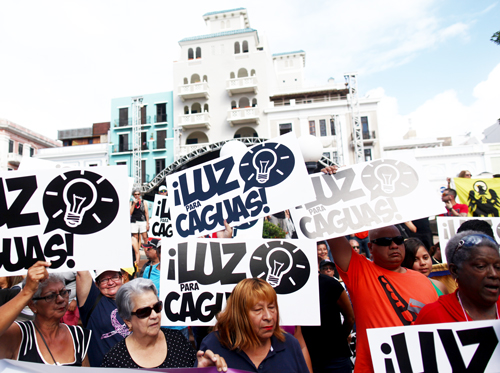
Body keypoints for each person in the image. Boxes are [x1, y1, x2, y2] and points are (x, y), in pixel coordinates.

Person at [326, 223, 439, 373]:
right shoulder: (359, 271)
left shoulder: (425, 281)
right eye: (385, 241)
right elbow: (331, 233)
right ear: (370, 247)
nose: (393, 246)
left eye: (398, 240)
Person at [101, 278, 226, 370]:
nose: (154, 315)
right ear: (127, 321)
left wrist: (199, 369)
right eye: (144, 312)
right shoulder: (114, 361)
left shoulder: (178, 341)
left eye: (157, 307)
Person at [198, 278, 309, 373]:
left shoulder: (289, 344)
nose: (268, 317)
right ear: (239, 314)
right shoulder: (214, 344)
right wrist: (201, 371)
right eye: (258, 310)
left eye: (271, 307)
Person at [0, 261, 91, 366]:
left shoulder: (77, 335)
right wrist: (27, 292)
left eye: (63, 292)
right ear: (33, 305)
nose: (60, 299)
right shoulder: (20, 334)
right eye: (50, 296)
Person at [416, 231, 500, 324]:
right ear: (454, 270)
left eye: (498, 267)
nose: (494, 274)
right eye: (481, 266)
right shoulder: (433, 316)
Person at [301, 274, 355, 373]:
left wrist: (340, 340)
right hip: (306, 359)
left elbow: (350, 318)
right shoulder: (291, 289)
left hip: (336, 359)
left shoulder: (330, 283)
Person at [76, 269, 129, 367]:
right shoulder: (92, 302)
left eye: (114, 277)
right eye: (104, 280)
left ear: (122, 278)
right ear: (96, 284)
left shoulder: (133, 299)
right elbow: (82, 271)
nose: (110, 282)